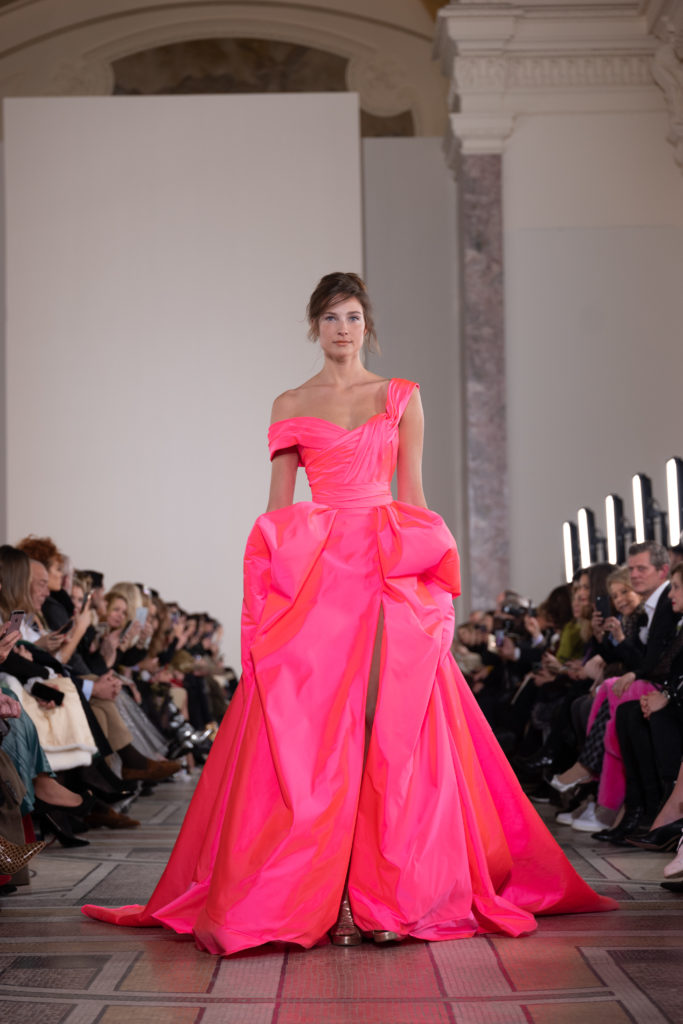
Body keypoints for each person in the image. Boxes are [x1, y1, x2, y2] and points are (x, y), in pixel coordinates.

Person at [82, 272, 614, 955]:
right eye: (331, 317)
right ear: (315, 326)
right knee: (315, 734)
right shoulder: (290, 403)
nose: (343, 328)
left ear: (367, 324)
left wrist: (433, 591)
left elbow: (412, 497)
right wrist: (267, 604)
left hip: (387, 574)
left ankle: (384, 896)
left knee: (382, 727)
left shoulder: (400, 397)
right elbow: (276, 511)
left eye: (353, 316)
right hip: (317, 581)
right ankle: (326, 896)